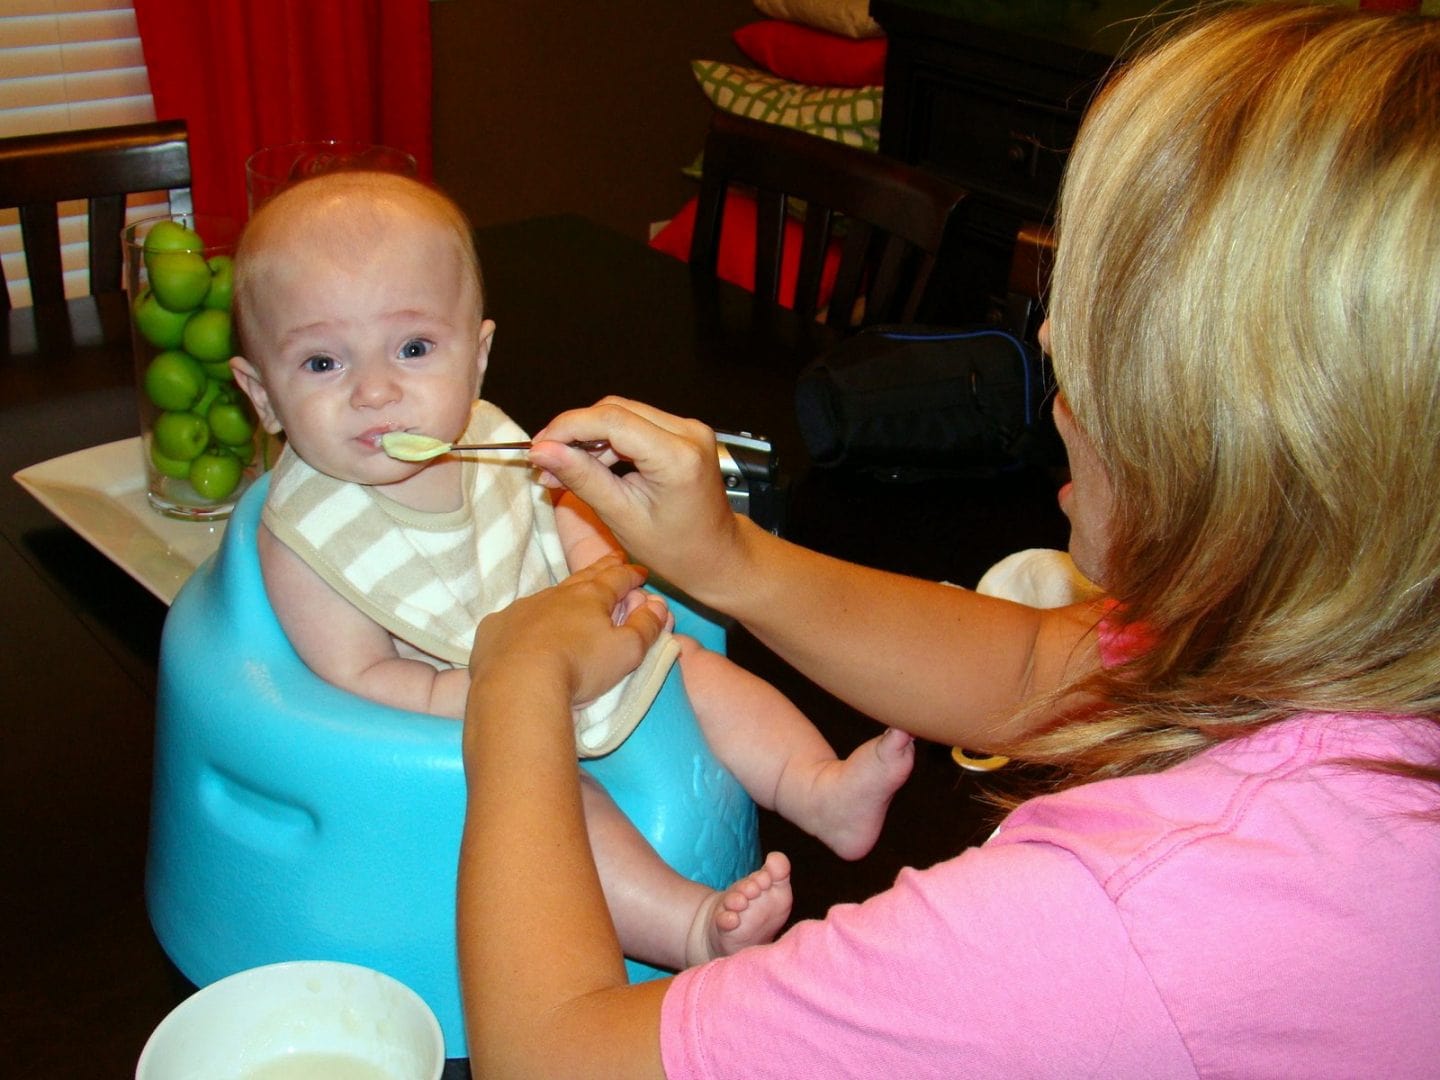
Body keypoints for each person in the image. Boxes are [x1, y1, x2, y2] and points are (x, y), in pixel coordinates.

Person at [455, 5, 1440, 1076]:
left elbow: (551, 1056)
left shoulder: (1126, 919)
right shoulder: (1334, 642)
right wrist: (727, 563)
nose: (1054, 336)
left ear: (1244, 442)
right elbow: (1028, 664)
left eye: (1106, 312)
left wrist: (516, 687)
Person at [227, 170, 916, 973]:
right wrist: (488, 695)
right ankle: (690, 928)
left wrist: (600, 577)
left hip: (560, 647)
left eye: (414, 349)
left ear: (477, 357)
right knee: (556, 808)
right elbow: (354, 670)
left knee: (691, 664)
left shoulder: (483, 438)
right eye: (320, 364)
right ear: (262, 394)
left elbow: (556, 512)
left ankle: (816, 789)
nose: (377, 391)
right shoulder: (311, 533)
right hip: (458, 717)